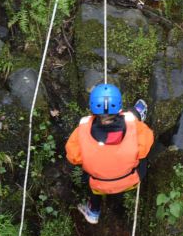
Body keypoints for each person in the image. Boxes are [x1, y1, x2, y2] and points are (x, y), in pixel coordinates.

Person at [65, 83, 154, 224]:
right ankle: (137, 112)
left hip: (99, 185)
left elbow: (73, 157)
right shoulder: (134, 126)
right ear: (119, 107)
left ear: (92, 108)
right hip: (130, 181)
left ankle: (94, 211)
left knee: (89, 178)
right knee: (133, 119)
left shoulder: (81, 132)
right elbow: (145, 146)